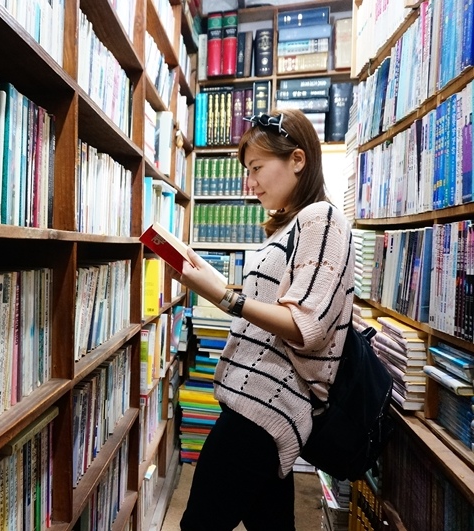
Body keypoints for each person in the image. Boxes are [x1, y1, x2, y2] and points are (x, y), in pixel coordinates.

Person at [178, 109, 355, 531]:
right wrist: (213, 280)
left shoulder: (323, 219)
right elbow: (270, 316)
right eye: (246, 170)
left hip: (263, 406)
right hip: (259, 405)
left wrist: (223, 296)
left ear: (297, 160)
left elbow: (306, 325)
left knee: (199, 524)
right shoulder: (289, 227)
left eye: (256, 168)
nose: (249, 182)